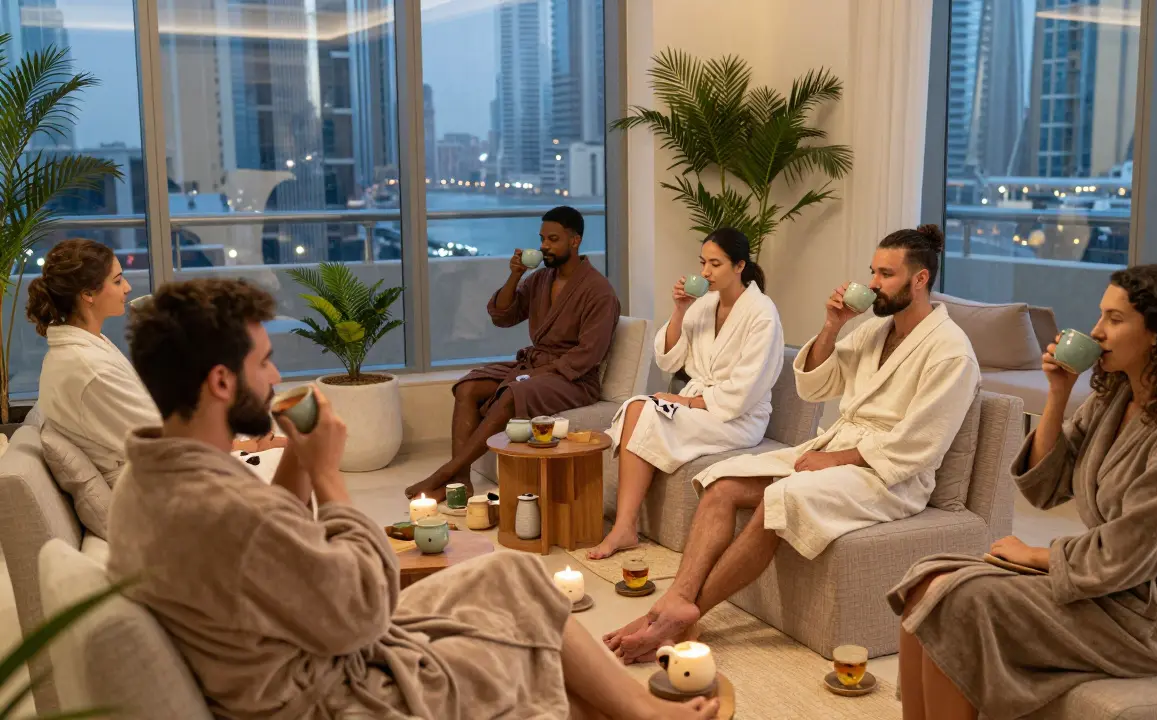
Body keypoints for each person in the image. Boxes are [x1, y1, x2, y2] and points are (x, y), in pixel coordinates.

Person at [108, 278, 717, 720]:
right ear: (221, 382)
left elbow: (281, 548)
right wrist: (327, 476)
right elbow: (364, 610)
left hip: (307, 642)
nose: (274, 380)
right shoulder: (219, 510)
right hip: (339, 692)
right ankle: (643, 714)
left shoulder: (154, 476)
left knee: (511, 573)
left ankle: (633, 710)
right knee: (518, 635)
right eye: (265, 363)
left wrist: (296, 456)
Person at [605, 225, 980, 663]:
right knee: (722, 483)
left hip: (891, 477)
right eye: (872, 272)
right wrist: (832, 327)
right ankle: (676, 601)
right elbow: (817, 386)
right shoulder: (875, 332)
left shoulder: (951, 352)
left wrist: (834, 459)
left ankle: (683, 615)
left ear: (920, 280)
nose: (873, 284)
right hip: (842, 449)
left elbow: (921, 445)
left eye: (886, 275)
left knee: (781, 496)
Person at [887, 265, 1157, 720]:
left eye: (1115, 318)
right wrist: (1058, 392)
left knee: (957, 604)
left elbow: (1129, 553)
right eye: (1100, 316)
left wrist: (1038, 556)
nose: (1096, 331)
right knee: (926, 584)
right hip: (1101, 584)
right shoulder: (1115, 399)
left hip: (1149, 613)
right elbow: (1046, 488)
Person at [588, 228, 783, 559]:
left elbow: (747, 388)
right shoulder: (705, 303)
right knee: (638, 406)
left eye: (715, 264)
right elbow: (669, 358)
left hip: (738, 417)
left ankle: (624, 527)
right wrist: (680, 309)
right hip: (701, 406)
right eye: (703, 262)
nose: (705, 272)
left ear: (739, 266)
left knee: (643, 410)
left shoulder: (762, 314)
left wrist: (688, 401)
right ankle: (625, 526)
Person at [405, 206, 621, 500]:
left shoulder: (599, 291)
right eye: (542, 238)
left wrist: (537, 373)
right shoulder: (541, 279)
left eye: (553, 239)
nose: (544, 245)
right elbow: (502, 315)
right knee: (468, 386)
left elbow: (588, 355)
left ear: (575, 240)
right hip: (535, 366)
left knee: (513, 393)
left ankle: (445, 472)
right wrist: (514, 276)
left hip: (574, 380)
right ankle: (462, 478)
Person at [27, 238, 280, 485]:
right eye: (117, 281)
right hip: (160, 481)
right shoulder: (88, 369)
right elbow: (163, 440)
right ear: (87, 294)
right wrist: (243, 446)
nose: (127, 287)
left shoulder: (87, 348)